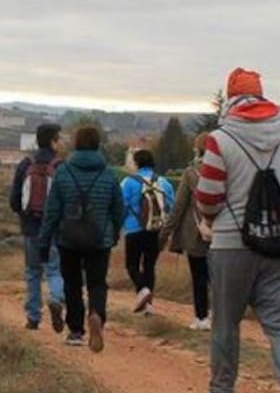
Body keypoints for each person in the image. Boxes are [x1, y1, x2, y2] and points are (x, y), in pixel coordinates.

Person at [193, 67, 280, 393]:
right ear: (262, 95)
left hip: (230, 245)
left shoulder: (220, 139)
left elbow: (208, 197)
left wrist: (209, 220)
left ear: (231, 98)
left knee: (226, 322)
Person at [37, 125, 125, 352]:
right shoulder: (108, 174)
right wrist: (114, 233)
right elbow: (118, 209)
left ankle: (76, 330)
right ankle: (96, 315)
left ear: (76, 144)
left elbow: (52, 211)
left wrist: (44, 241)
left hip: (68, 238)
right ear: (98, 144)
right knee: (97, 282)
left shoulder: (63, 172)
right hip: (99, 239)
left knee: (72, 283)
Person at [9, 123, 67, 331]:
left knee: (33, 271)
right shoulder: (61, 166)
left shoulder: (26, 164)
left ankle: (33, 317)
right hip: (55, 228)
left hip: (31, 227)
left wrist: (25, 216)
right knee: (54, 269)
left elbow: (14, 200)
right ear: (53, 141)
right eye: (59, 138)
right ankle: (56, 298)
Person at [161, 133, 212, 330]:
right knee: (218, 276)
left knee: (199, 276)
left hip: (197, 232)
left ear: (198, 149)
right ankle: (220, 314)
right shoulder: (227, 170)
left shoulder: (191, 173)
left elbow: (179, 206)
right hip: (223, 232)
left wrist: (166, 232)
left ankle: (201, 317)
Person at [120, 149, 175, 315]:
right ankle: (148, 305)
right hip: (155, 229)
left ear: (137, 163)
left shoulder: (128, 182)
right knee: (149, 265)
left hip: (134, 229)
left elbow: (122, 206)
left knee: (131, 264)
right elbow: (171, 205)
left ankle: (142, 290)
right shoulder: (164, 182)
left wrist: (120, 225)